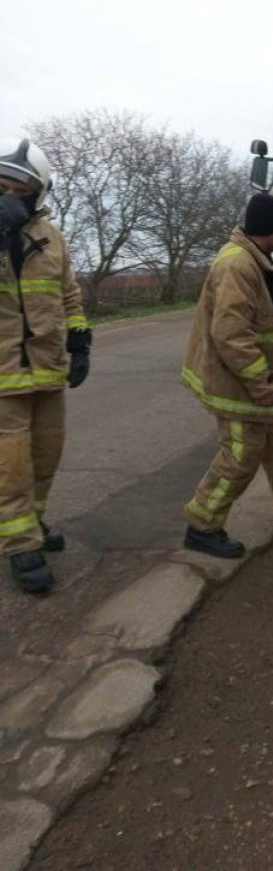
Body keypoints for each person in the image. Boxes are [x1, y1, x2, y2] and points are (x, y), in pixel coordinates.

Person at [181, 193, 273, 558]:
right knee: (240, 456)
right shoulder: (237, 265)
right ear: (269, 230)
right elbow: (231, 333)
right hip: (240, 385)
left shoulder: (253, 259)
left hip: (256, 384)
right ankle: (202, 526)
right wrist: (261, 381)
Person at [0, 138, 91, 593]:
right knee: (10, 466)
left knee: (45, 455)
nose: (9, 193)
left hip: (48, 368)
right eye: (2, 185)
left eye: (19, 186)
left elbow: (68, 292)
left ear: (39, 191)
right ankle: (19, 547)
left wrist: (80, 338)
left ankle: (32, 524)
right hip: (4, 376)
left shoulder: (52, 237)